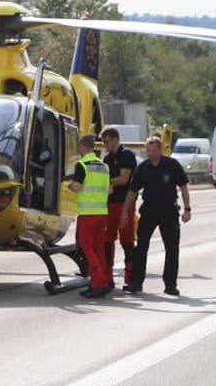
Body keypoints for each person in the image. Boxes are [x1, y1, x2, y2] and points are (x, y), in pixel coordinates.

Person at [122, 135, 192, 296]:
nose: (151, 153)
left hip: (169, 211)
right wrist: (125, 212)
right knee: (141, 247)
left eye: (154, 150)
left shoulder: (171, 165)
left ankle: (170, 285)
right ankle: (136, 282)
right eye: (148, 150)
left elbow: (183, 187)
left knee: (172, 248)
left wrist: (187, 209)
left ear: (160, 150)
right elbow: (132, 191)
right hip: (149, 211)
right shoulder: (143, 168)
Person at [66, 134, 113, 297]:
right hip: (102, 213)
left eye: (79, 148)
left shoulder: (82, 165)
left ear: (83, 148)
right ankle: (102, 282)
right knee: (99, 250)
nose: (78, 150)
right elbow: (110, 190)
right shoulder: (104, 166)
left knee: (86, 249)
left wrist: (70, 186)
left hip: (87, 214)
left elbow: (77, 187)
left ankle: (98, 282)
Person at [99, 126, 138, 285]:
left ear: (114, 139)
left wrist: (105, 182)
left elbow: (124, 179)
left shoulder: (126, 155)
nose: (104, 144)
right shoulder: (107, 159)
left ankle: (131, 277)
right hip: (110, 203)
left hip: (125, 203)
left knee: (127, 241)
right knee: (107, 241)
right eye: (103, 142)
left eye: (106, 141)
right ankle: (108, 276)